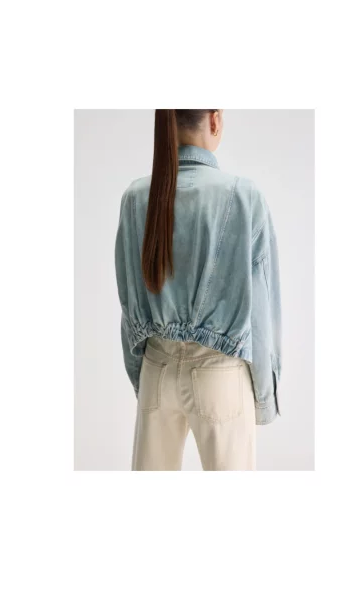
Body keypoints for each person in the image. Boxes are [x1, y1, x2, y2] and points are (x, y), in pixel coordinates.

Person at [115, 109, 281, 471]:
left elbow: (128, 306)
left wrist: (143, 378)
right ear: (215, 119)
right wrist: (264, 398)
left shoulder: (136, 197)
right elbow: (261, 310)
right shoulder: (243, 196)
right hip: (220, 375)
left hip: (156, 370)